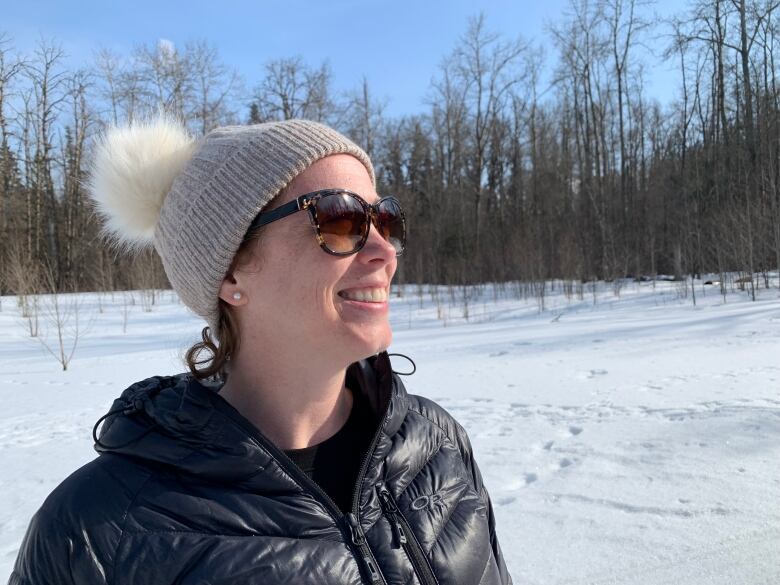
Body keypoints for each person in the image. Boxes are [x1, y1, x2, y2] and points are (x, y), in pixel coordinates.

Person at [9, 117, 512, 585]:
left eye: (385, 220)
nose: (383, 251)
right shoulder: (96, 530)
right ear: (231, 273)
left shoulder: (436, 444)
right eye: (340, 219)